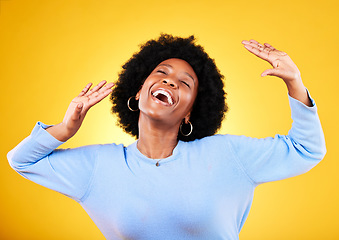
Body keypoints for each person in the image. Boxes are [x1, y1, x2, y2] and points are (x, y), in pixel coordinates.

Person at [7, 34, 326, 240]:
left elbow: (307, 150)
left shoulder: (225, 154)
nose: (170, 81)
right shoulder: (99, 166)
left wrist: (294, 82)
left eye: (185, 83)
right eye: (161, 72)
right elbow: (20, 161)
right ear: (138, 90)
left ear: (190, 112)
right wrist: (64, 129)